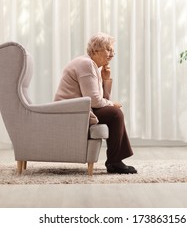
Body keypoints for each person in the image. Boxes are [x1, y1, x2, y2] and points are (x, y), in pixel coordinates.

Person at [54, 32, 137, 174]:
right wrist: (112, 104)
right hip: (70, 111)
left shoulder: (91, 65)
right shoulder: (86, 65)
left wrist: (106, 79)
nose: (112, 54)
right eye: (108, 49)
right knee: (115, 113)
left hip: (79, 108)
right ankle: (114, 162)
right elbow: (95, 101)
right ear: (95, 50)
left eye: (113, 50)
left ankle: (114, 161)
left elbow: (99, 99)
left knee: (114, 113)